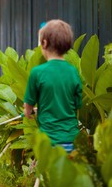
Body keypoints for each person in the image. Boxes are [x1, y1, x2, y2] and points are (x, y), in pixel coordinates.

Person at [23, 19, 82, 154]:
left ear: (44, 43)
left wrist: (30, 111)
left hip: (49, 142)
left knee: (49, 174)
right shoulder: (73, 72)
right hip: (72, 141)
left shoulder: (37, 73)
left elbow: (27, 109)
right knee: (68, 174)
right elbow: (76, 105)